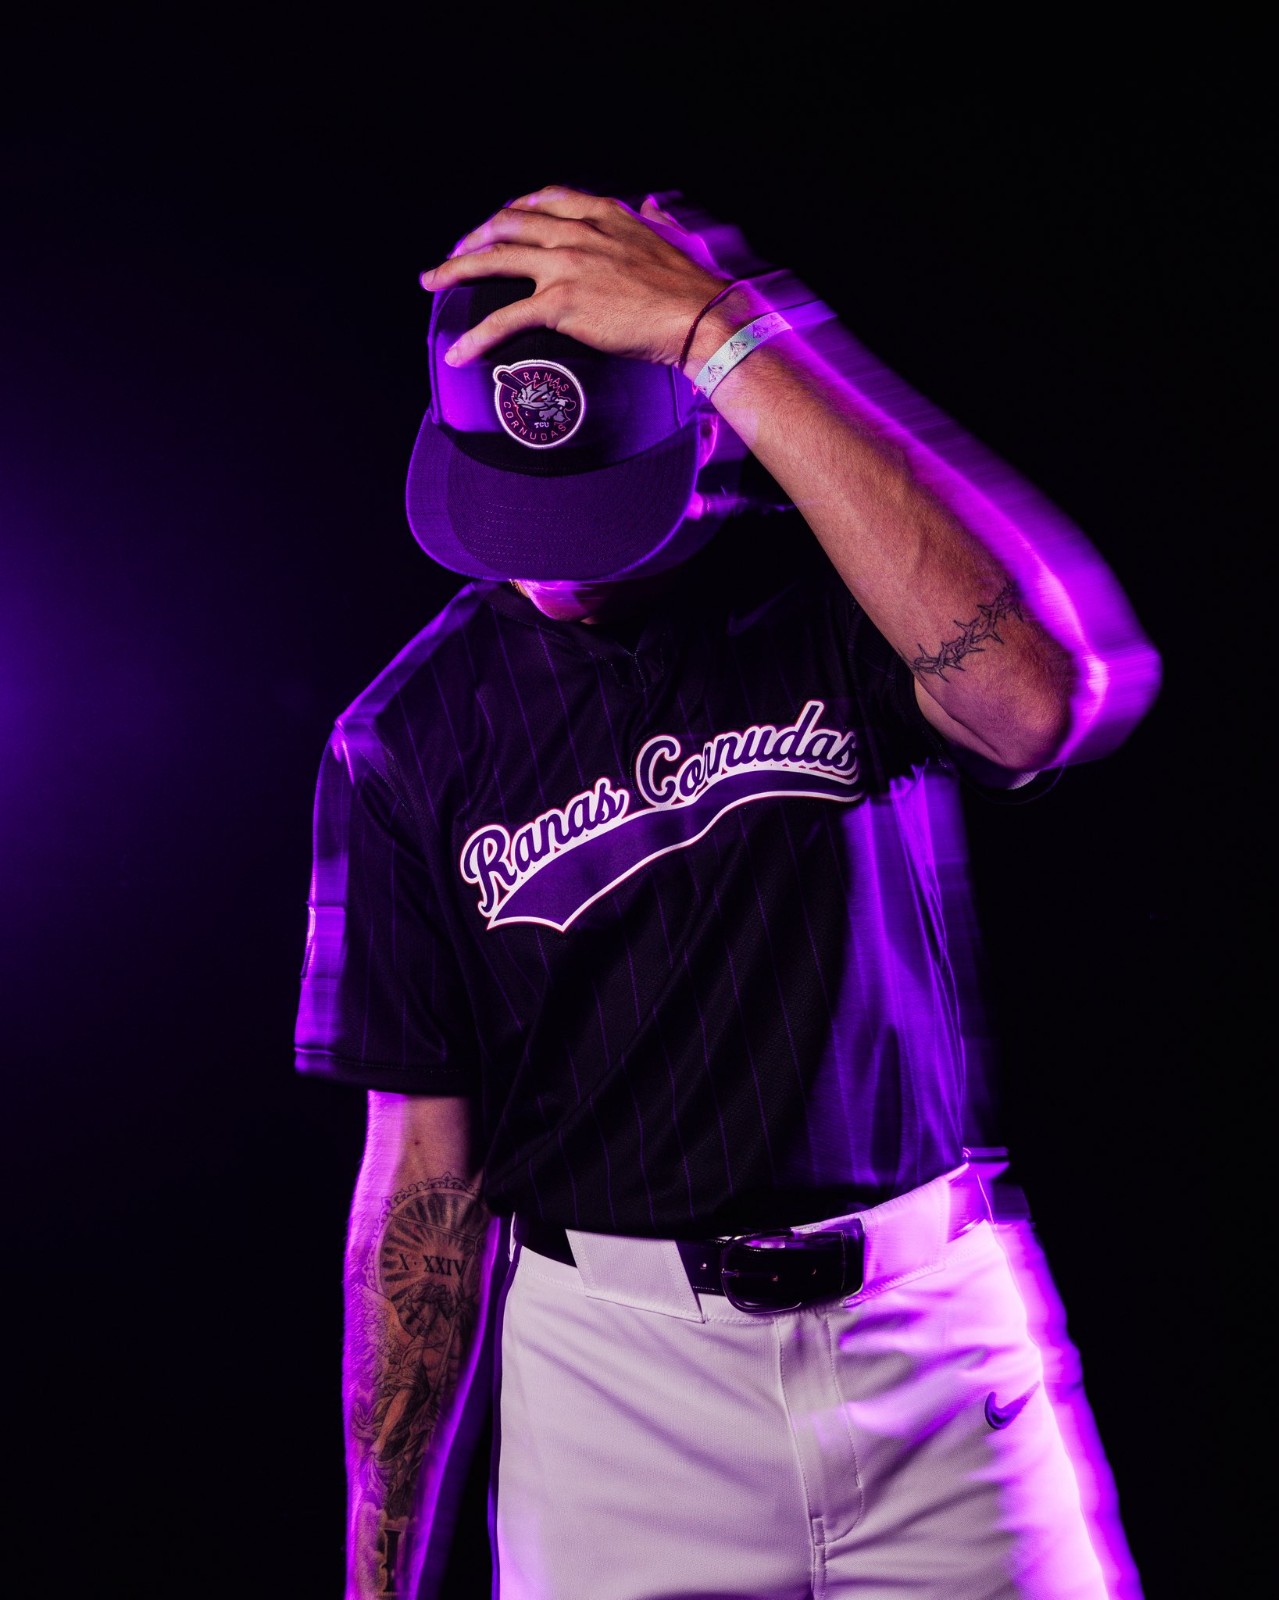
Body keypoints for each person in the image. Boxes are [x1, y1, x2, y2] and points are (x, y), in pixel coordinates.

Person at [294, 184, 1160, 1599]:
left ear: (703, 429)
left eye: (595, 503)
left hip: (935, 1344)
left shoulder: (838, 578)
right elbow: (422, 1179)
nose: (561, 566)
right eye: (519, 506)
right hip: (614, 1384)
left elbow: (1036, 702)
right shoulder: (404, 736)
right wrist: (377, 1575)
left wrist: (731, 329)